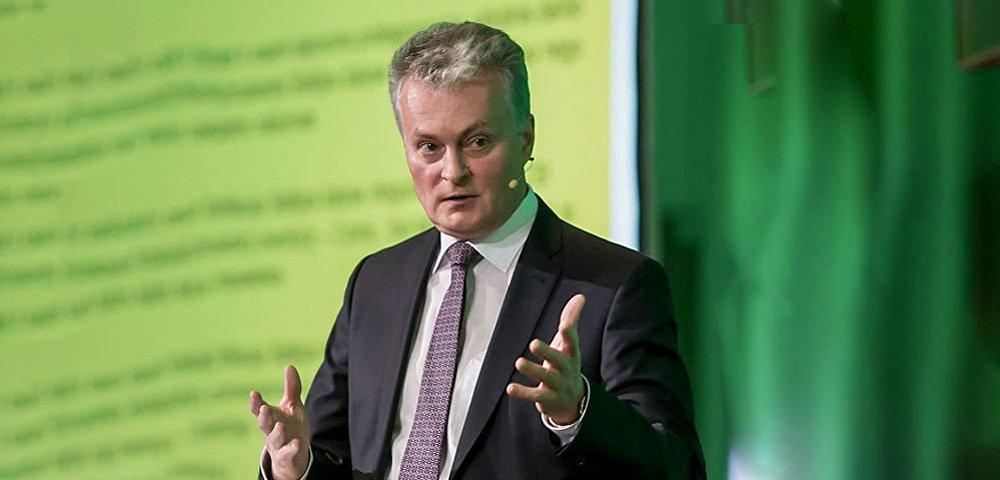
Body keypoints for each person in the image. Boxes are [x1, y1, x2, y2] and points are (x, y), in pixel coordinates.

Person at [248, 21, 704, 480]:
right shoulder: (376, 281)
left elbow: (677, 466)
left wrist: (578, 414)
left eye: (477, 142)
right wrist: (295, 467)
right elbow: (331, 452)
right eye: (429, 146)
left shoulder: (614, 285)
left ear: (525, 137)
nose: (453, 171)